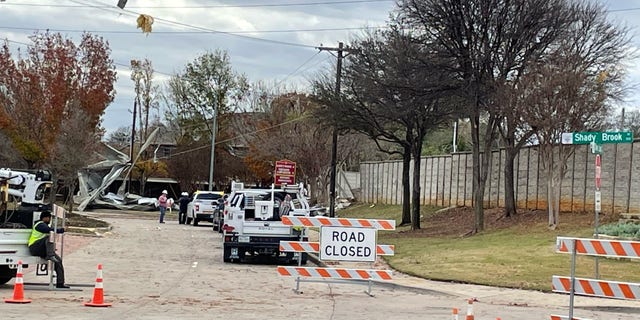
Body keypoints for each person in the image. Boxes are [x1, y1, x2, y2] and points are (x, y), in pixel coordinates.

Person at [28, 211, 69, 289]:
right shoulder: (39, 225)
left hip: (42, 249)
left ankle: (60, 283)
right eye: (49, 218)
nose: (50, 220)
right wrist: (61, 230)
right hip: (34, 247)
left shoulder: (45, 225)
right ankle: (50, 255)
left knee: (59, 261)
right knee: (49, 237)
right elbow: (49, 230)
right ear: (45, 218)